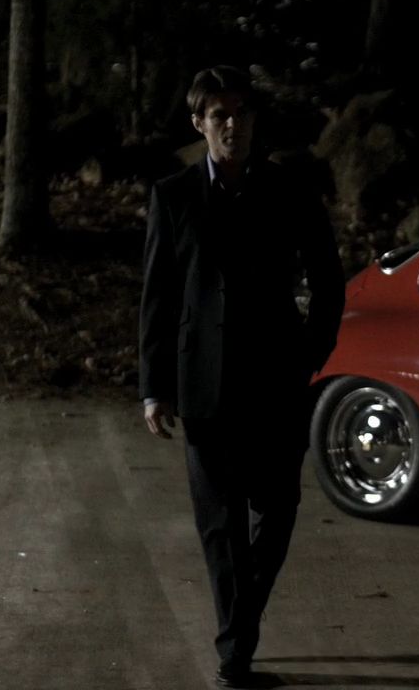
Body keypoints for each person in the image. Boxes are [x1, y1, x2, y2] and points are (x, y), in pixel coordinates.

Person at [138, 65, 344, 689]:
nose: (233, 124)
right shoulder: (173, 195)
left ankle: (239, 624)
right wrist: (154, 386)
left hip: (277, 380)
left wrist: (312, 350)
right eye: (219, 115)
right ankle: (236, 654)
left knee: (277, 512)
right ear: (198, 124)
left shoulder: (289, 189)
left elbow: (328, 276)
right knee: (220, 524)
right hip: (204, 384)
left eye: (242, 112)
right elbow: (158, 296)